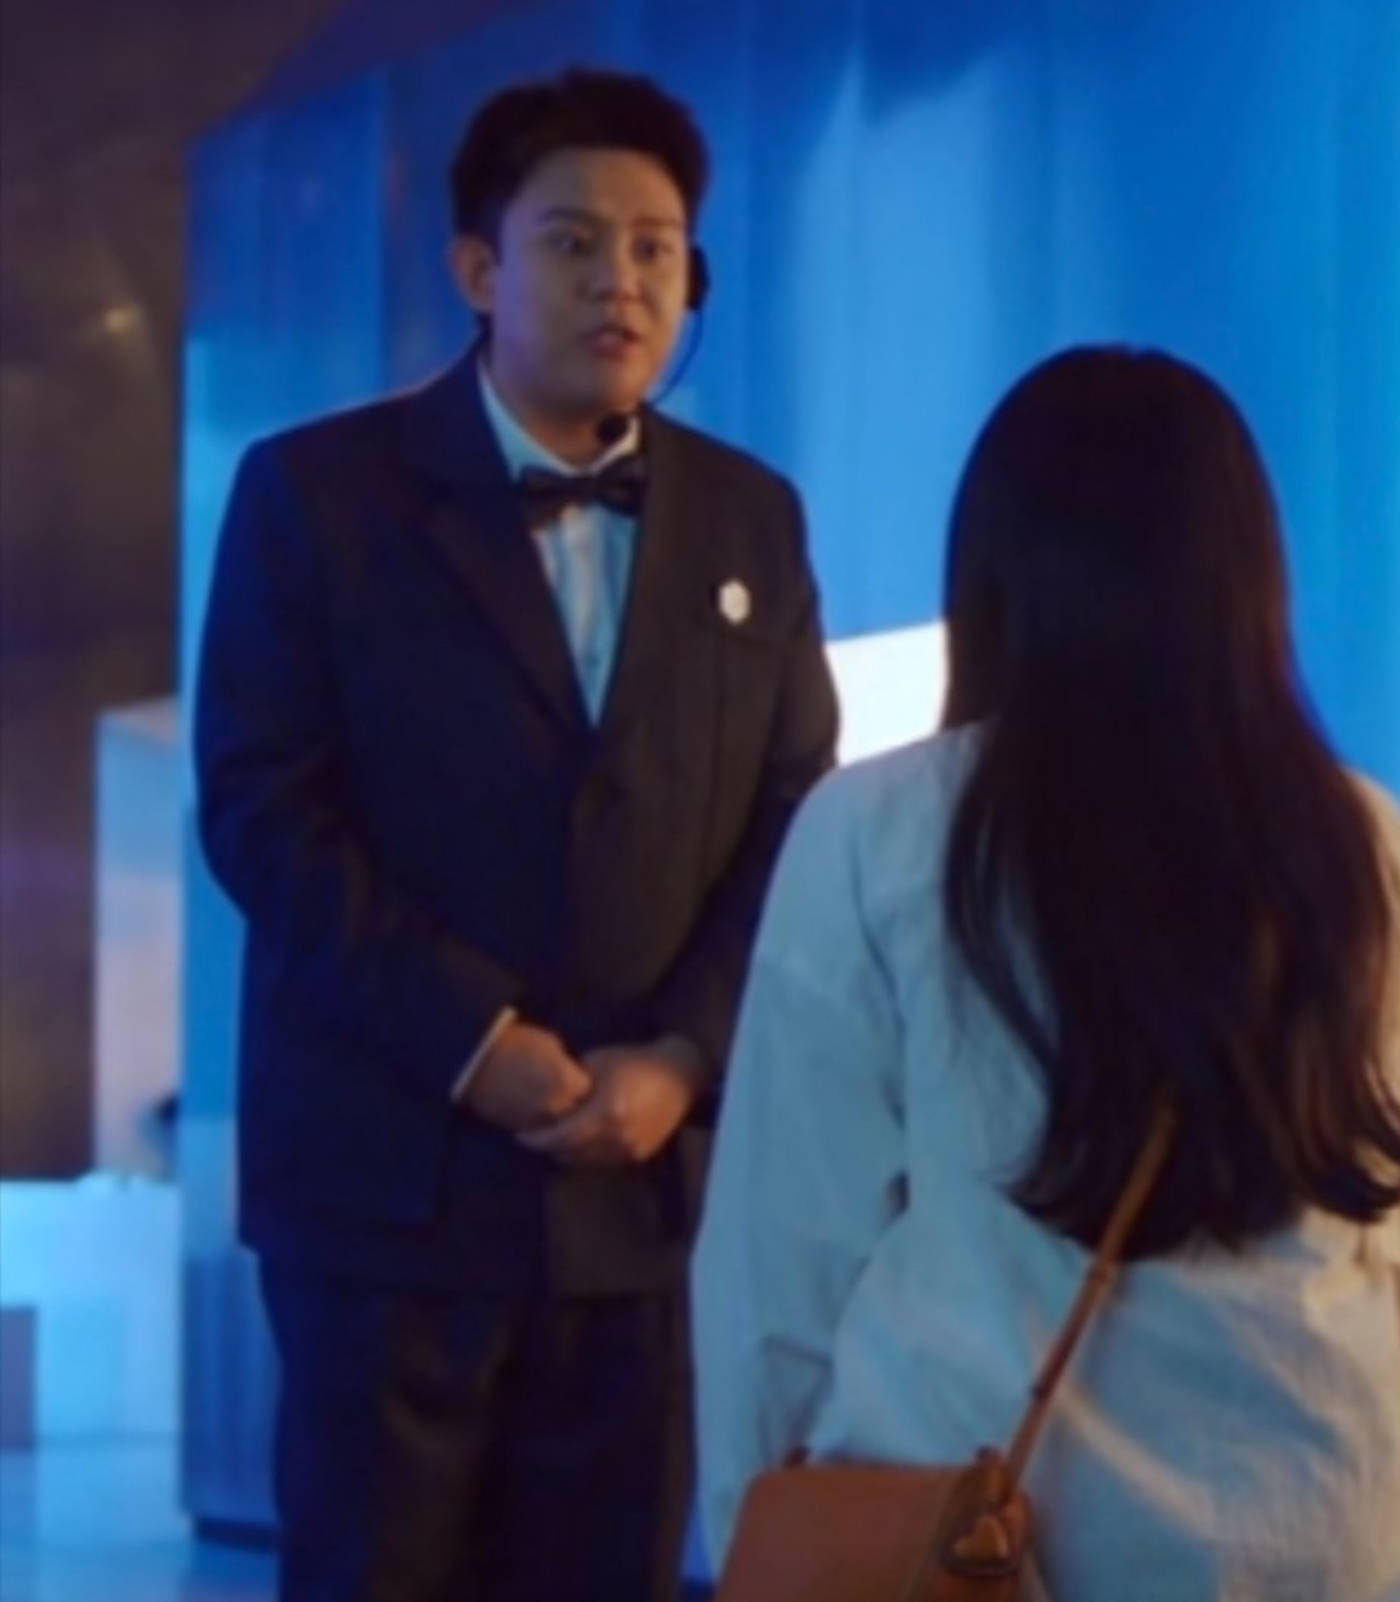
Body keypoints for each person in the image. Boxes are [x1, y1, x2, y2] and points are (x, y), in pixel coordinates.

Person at [195, 66, 838, 1602]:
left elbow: (794, 817)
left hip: (643, 1202)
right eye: (574, 242)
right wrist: (472, 1038)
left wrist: (683, 1054)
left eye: (657, 248)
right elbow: (264, 810)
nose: (624, 281)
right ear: (478, 268)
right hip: (387, 1191)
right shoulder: (314, 496)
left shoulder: (752, 519)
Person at [693, 348, 1400, 1600]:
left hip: (986, 1541)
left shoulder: (878, 832)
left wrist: (776, 1523)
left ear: (990, 576)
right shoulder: (1358, 838)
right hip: (1323, 1511)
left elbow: (779, 1271)